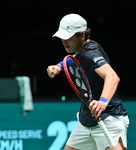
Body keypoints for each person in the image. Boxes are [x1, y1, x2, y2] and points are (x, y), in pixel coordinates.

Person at [47, 14, 129, 150]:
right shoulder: (82, 49)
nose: (63, 40)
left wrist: (103, 101)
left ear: (82, 35)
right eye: (62, 36)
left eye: (68, 37)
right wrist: (59, 66)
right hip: (87, 121)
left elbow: (112, 76)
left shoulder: (91, 53)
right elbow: (75, 58)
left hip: (108, 119)